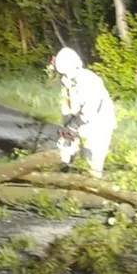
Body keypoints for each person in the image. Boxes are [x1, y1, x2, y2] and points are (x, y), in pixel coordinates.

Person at [51, 47, 116, 179]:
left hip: (99, 123)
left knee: (92, 158)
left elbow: (90, 109)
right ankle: (64, 177)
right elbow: (66, 106)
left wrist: (73, 126)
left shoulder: (89, 80)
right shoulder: (67, 81)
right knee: (66, 150)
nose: (63, 75)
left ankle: (94, 190)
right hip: (80, 121)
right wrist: (66, 128)